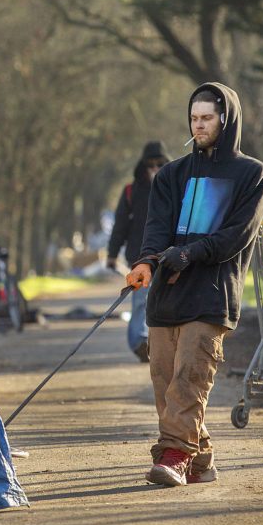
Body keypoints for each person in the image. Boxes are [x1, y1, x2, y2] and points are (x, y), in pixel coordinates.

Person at [125, 82, 263, 487]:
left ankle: (173, 457)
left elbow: (236, 235)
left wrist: (189, 253)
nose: (199, 125)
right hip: (166, 296)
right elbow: (155, 230)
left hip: (211, 296)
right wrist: (145, 262)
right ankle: (200, 459)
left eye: (207, 117)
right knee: (166, 383)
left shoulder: (251, 174)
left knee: (190, 379)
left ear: (226, 119)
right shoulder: (171, 175)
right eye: (194, 118)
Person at [106, 141, 170, 363]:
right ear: (142, 167)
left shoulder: (173, 188)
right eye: (149, 165)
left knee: (166, 302)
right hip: (139, 256)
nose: (154, 169)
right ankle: (140, 342)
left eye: (159, 165)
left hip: (167, 256)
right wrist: (112, 254)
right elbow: (120, 224)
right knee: (141, 301)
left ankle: (162, 345)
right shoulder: (131, 191)